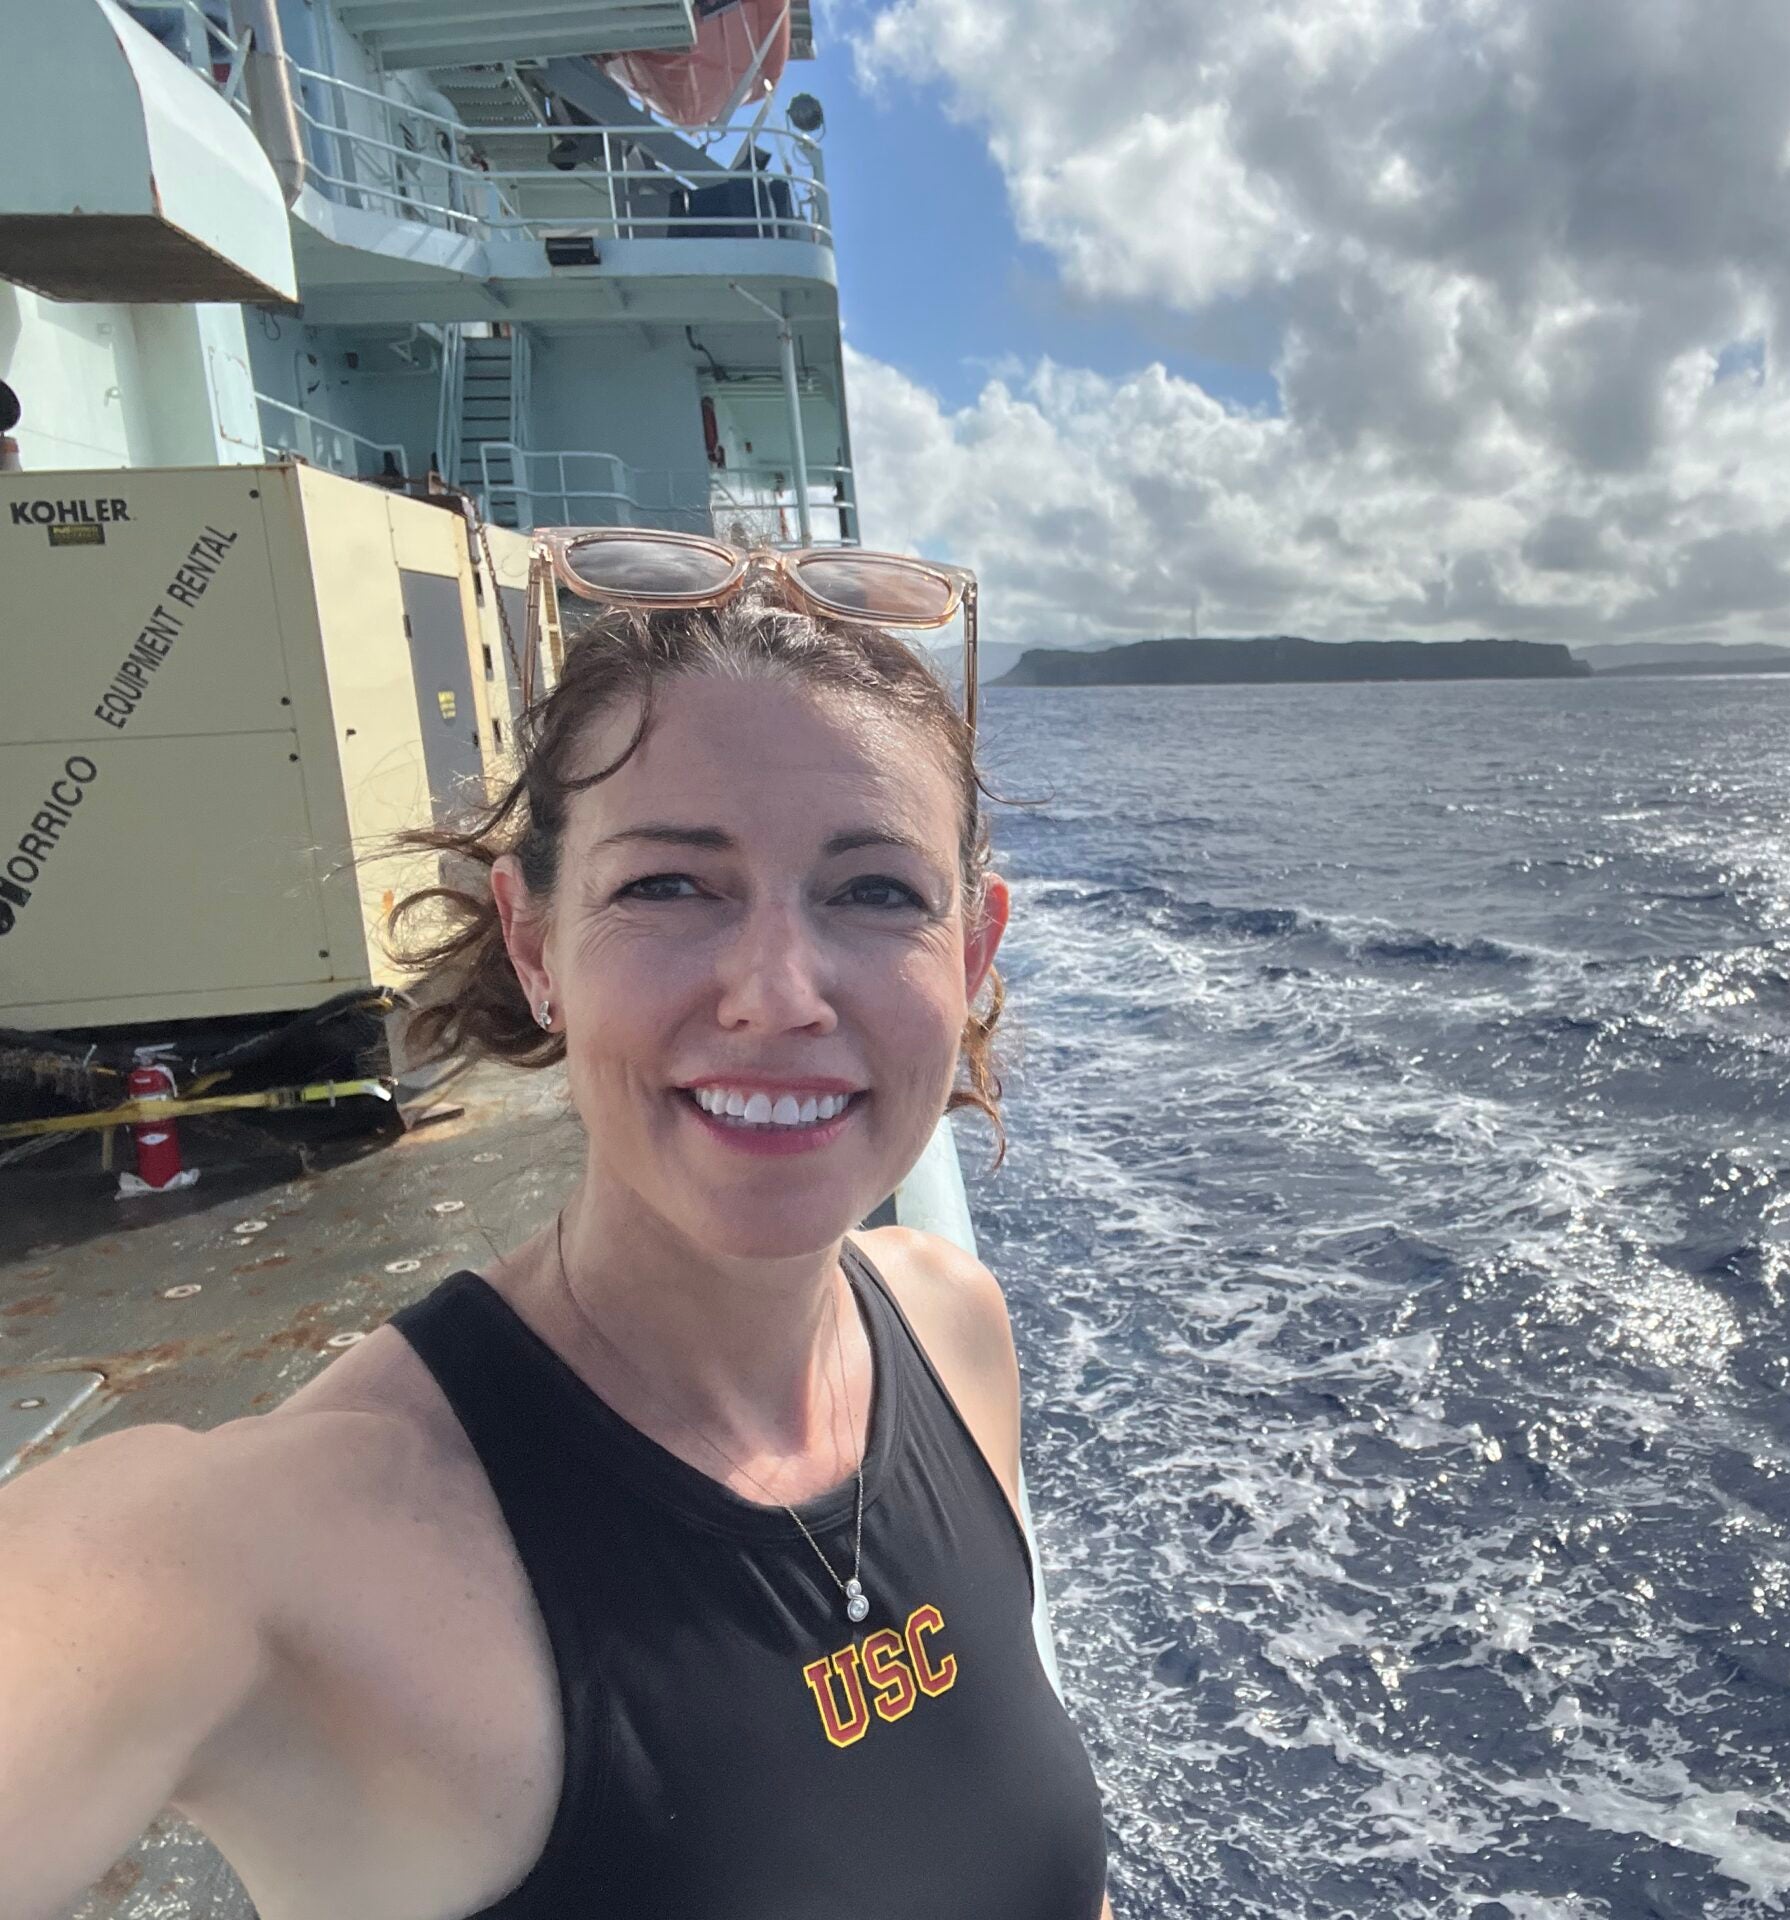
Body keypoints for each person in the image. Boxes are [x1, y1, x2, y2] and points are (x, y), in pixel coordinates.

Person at [0, 558, 1115, 1918]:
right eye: (668, 887)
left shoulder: (952, 1329)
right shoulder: (293, 1544)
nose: (777, 994)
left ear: (974, 951)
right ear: (533, 944)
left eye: (877, 893)